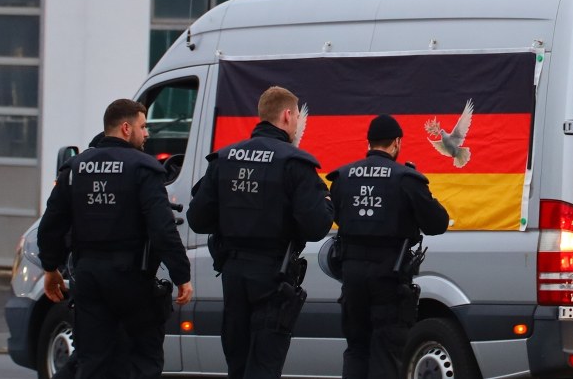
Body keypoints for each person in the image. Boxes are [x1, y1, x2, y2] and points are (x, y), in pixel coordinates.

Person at [36, 99, 193, 379]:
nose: (147, 134)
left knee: (93, 361)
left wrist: (50, 269)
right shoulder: (144, 168)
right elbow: (162, 229)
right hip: (131, 281)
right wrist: (182, 275)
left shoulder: (75, 168)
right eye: (143, 127)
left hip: (88, 279)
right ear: (125, 128)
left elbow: (50, 225)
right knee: (143, 360)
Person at [187, 86, 333, 379]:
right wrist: (328, 204)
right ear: (287, 115)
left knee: (238, 364)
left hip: (233, 273)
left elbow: (197, 218)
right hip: (273, 276)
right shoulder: (294, 163)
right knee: (265, 364)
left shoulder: (224, 159)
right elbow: (317, 226)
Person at [326, 114, 450, 379]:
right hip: (389, 279)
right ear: (396, 143)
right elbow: (438, 223)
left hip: (352, 278)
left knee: (357, 349)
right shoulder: (406, 179)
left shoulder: (343, 177)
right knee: (387, 351)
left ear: (369, 142)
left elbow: (333, 215)